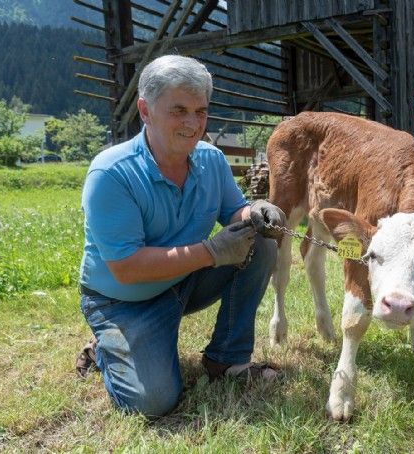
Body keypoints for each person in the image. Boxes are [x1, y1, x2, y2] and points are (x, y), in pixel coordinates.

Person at [74, 54, 287, 417]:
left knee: (259, 240)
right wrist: (211, 252)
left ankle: (227, 361)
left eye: (201, 111)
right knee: (153, 402)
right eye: (179, 110)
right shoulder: (111, 173)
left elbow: (232, 212)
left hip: (183, 279)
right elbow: (125, 268)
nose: (193, 124)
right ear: (145, 110)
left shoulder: (211, 160)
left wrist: (254, 212)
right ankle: (107, 348)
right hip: (123, 301)